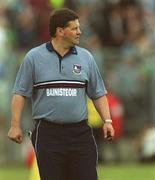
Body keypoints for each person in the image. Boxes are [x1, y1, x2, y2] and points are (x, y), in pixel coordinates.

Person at [8, 8, 114, 180]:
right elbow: (20, 93)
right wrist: (15, 125)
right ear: (60, 31)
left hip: (80, 133)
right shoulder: (33, 58)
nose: (79, 32)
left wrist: (107, 121)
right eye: (74, 28)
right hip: (48, 134)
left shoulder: (86, 58)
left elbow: (98, 93)